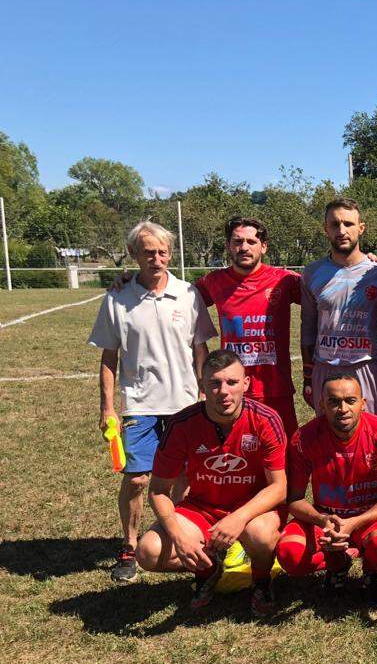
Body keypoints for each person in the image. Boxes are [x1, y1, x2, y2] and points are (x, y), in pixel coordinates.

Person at [88, 221, 216, 582]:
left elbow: (200, 349)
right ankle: (129, 546)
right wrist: (107, 407)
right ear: (133, 254)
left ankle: (174, 536)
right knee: (139, 478)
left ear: (170, 254)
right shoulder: (117, 298)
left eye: (162, 252)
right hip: (139, 404)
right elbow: (109, 358)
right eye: (147, 252)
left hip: (185, 403)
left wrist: (204, 393)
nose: (156, 259)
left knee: (184, 475)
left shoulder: (188, 294)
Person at [133, 350, 287, 614]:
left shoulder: (266, 419)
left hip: (252, 509)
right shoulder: (182, 423)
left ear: (246, 384)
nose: (223, 391)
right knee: (148, 551)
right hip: (201, 509)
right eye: (214, 383)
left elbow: (279, 487)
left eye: (232, 382)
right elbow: (158, 490)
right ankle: (209, 567)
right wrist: (178, 536)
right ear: (202, 386)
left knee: (260, 535)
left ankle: (261, 581)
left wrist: (238, 518)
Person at [274, 374, 377, 605]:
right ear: (321, 404)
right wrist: (323, 521)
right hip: (326, 516)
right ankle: (337, 563)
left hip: (369, 516)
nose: (342, 408)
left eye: (350, 400)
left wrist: (354, 523)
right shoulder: (303, 438)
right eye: (333, 401)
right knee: (289, 555)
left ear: (363, 403)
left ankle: (372, 568)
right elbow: (294, 499)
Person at [192, 217, 303, 436]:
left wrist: (361, 260)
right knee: (239, 457)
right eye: (237, 241)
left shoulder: (285, 280)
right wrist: (135, 280)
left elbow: (326, 288)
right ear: (228, 246)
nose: (244, 247)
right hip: (232, 390)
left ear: (263, 246)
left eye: (251, 242)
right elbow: (174, 295)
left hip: (275, 389)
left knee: (284, 457)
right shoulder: (213, 281)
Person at [301, 198, 377, 420]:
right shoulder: (311, 273)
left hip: (365, 367)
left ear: (361, 228)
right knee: (329, 441)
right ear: (325, 229)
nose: (341, 230)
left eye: (348, 223)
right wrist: (308, 376)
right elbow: (308, 326)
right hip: (325, 368)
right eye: (334, 224)